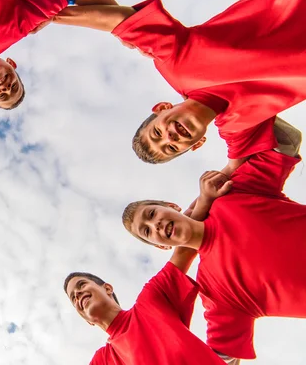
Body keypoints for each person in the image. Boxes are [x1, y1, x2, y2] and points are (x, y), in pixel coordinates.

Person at [49, 0, 306, 165]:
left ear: (162, 108)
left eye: (157, 133)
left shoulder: (177, 66)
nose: (170, 138)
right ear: (196, 144)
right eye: (171, 148)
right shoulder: (236, 128)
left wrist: (48, 15)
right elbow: (233, 171)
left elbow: (120, 20)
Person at [122, 118, 304, 360]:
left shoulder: (231, 193)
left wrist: (208, 112)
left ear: (172, 206)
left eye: (152, 214)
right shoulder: (214, 293)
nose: (155, 224)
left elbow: (286, 141)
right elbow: (222, 358)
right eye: (147, 231)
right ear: (162, 245)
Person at [64, 262, 230, 364]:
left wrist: (203, 203)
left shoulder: (151, 300)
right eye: (73, 298)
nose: (77, 294)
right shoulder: (102, 361)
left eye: (81, 285)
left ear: (107, 288)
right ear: (87, 320)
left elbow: (187, 243)